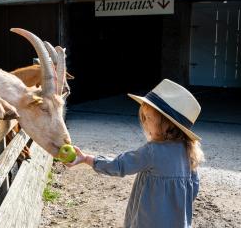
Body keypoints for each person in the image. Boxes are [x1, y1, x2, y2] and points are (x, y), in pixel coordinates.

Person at [67, 79, 205, 228]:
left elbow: (119, 165)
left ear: (167, 124)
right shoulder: (189, 152)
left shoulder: (153, 151)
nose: (144, 122)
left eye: (148, 118)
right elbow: (193, 190)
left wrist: (88, 159)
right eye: (143, 117)